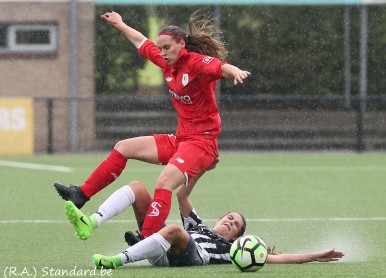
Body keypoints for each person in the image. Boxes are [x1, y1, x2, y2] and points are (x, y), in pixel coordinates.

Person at [54, 9, 251, 241]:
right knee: (123, 147)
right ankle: (81, 194)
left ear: (181, 44)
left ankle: (146, 236)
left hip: (202, 144)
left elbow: (220, 67)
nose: (162, 52)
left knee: (164, 182)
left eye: (167, 47)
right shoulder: (166, 62)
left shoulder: (196, 63)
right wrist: (120, 24)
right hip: (182, 140)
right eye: (160, 48)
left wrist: (235, 71)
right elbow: (141, 41)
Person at [63, 181, 344, 269]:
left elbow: (278, 258)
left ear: (237, 235)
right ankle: (92, 221)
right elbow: (182, 193)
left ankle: (117, 260)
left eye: (235, 224)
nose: (229, 221)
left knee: (174, 229)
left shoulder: (236, 248)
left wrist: (317, 255)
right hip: (170, 242)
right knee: (138, 189)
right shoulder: (197, 223)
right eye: (228, 217)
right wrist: (198, 169)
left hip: (191, 255)